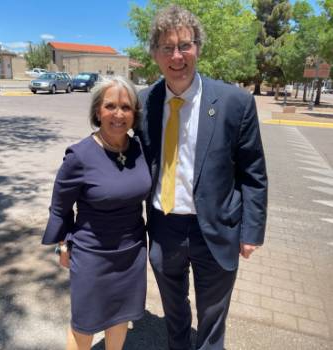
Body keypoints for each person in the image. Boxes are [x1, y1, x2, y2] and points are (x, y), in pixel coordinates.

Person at [137, 5, 268, 350]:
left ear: (198, 48)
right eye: (167, 47)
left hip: (216, 229)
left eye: (185, 45)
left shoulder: (235, 102)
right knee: (174, 311)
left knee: (213, 315)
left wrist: (251, 231)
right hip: (164, 227)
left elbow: (253, 173)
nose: (177, 56)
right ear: (155, 55)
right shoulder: (143, 103)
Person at [42, 76, 151, 350]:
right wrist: (63, 243)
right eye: (110, 106)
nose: (118, 114)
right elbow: (60, 206)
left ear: (134, 114)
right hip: (92, 254)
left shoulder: (139, 149)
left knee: (120, 318)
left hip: (132, 251)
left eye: (126, 107)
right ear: (97, 112)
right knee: (85, 324)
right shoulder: (79, 156)